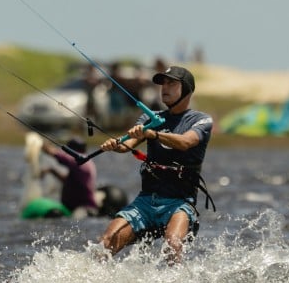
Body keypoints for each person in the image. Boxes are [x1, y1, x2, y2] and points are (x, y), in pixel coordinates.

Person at [97, 65, 214, 264]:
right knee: (105, 243)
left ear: (186, 89)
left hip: (180, 202)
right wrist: (116, 145)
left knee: (173, 244)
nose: (164, 88)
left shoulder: (201, 120)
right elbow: (128, 145)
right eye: (163, 84)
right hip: (146, 201)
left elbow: (186, 142)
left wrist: (154, 134)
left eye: (171, 84)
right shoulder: (149, 117)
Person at [41, 138, 99, 218]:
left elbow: (53, 153)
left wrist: (40, 144)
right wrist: (52, 171)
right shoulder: (86, 162)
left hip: (83, 208)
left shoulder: (79, 160)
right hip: (74, 208)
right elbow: (70, 181)